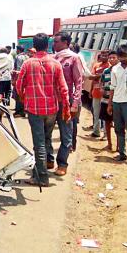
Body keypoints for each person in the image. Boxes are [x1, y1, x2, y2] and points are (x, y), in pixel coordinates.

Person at [16, 33, 70, 187]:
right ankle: (39, 171)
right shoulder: (55, 63)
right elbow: (63, 88)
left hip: (34, 109)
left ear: (34, 45)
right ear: (48, 45)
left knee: (39, 143)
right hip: (52, 109)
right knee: (46, 140)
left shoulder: (28, 64)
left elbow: (19, 86)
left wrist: (23, 97)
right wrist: (66, 107)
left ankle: (41, 178)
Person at [52, 31, 83, 176]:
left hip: (67, 101)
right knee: (46, 133)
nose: (54, 44)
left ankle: (62, 163)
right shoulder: (52, 58)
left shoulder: (74, 58)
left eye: (56, 41)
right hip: (52, 101)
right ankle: (48, 160)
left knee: (66, 134)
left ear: (65, 42)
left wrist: (75, 103)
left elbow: (78, 82)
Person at [99, 51, 119, 150]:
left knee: (119, 125)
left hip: (117, 101)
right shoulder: (106, 71)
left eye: (113, 57)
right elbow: (101, 83)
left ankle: (119, 145)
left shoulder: (121, 71)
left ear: (118, 58)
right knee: (107, 122)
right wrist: (102, 89)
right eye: (110, 58)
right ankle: (110, 143)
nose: (111, 59)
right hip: (105, 100)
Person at [89, 51, 110, 138]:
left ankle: (105, 134)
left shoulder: (109, 66)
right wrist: (90, 90)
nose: (103, 57)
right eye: (102, 55)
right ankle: (96, 131)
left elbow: (95, 76)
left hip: (106, 94)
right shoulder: (96, 65)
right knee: (96, 113)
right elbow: (92, 78)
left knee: (105, 115)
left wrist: (96, 76)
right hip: (96, 92)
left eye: (106, 55)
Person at [13, 45, 29, 117]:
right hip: (27, 78)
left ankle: (19, 111)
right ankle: (23, 109)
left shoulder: (18, 57)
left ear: (18, 50)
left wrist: (15, 79)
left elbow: (18, 70)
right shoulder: (27, 57)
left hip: (20, 77)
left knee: (18, 94)